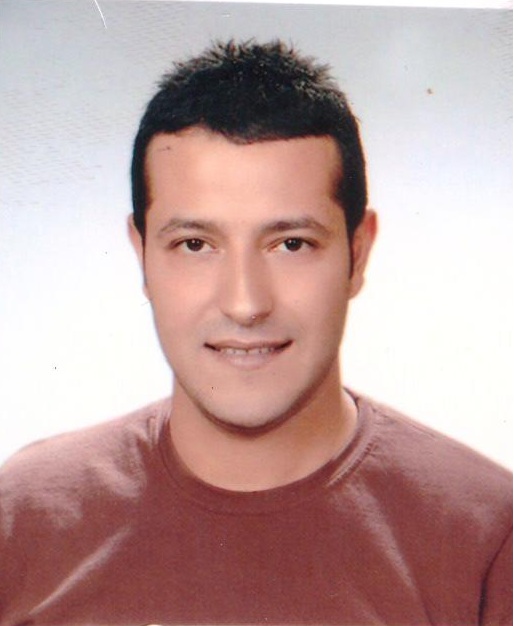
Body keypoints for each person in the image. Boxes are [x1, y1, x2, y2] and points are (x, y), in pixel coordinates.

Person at [0, 39, 511, 626]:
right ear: (142, 256)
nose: (245, 304)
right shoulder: (24, 518)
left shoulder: (488, 537)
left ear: (358, 254)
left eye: (291, 244)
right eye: (195, 245)